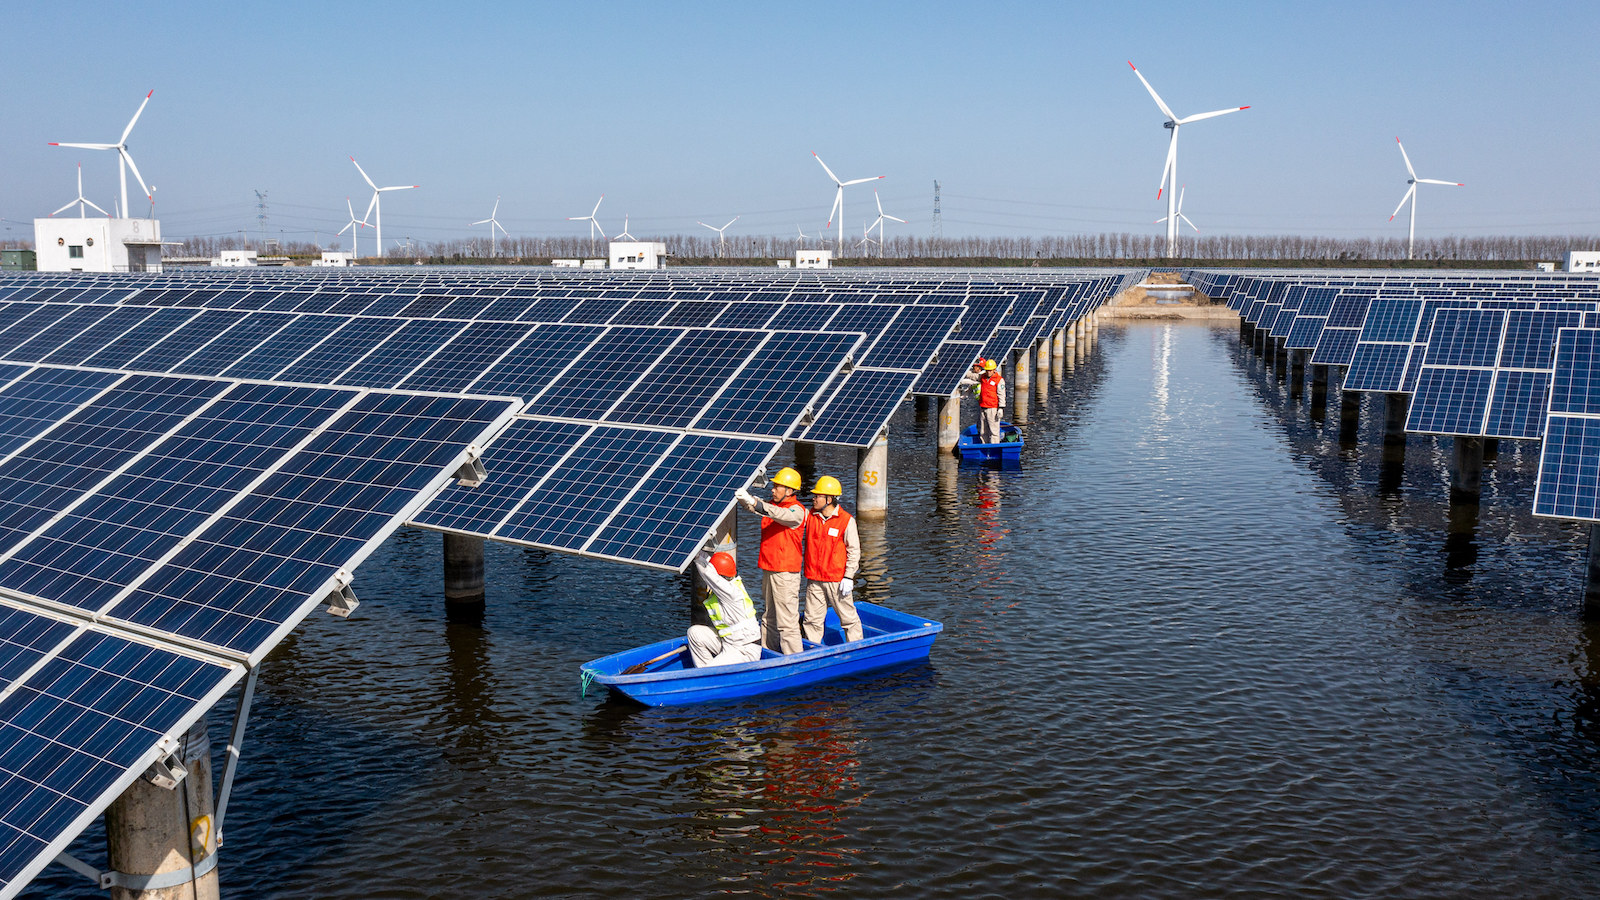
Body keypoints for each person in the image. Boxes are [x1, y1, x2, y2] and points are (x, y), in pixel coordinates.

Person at [734, 467, 807, 654]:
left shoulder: (796, 511)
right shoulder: (773, 507)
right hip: (769, 568)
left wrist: (755, 503)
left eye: (777, 486)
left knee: (787, 621)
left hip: (785, 573)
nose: (773, 489)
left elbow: (777, 514)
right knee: (769, 617)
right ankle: (768, 653)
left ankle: (794, 658)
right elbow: (760, 509)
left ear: (789, 491)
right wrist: (746, 501)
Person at [801, 475, 862, 645]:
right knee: (812, 620)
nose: (813, 498)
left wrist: (849, 576)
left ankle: (857, 649)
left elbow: (854, 551)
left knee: (848, 619)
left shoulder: (846, 521)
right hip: (814, 579)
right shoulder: (810, 516)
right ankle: (813, 652)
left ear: (830, 499)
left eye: (817, 496)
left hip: (837, 580)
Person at [688, 549, 762, 668]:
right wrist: (697, 551)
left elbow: (709, 575)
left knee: (710, 672)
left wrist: (696, 557)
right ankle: (704, 672)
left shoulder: (731, 593)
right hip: (728, 642)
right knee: (694, 633)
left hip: (744, 650)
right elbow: (711, 566)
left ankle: (707, 675)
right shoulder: (728, 582)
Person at [969, 357, 1005, 444]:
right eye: (987, 370)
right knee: (983, 430)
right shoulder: (983, 377)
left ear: (994, 370)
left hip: (993, 408)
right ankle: (984, 446)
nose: (988, 372)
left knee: (994, 430)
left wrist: (1001, 408)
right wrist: (964, 372)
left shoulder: (999, 380)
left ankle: (994, 447)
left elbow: (1001, 394)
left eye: (990, 370)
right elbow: (973, 376)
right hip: (983, 407)